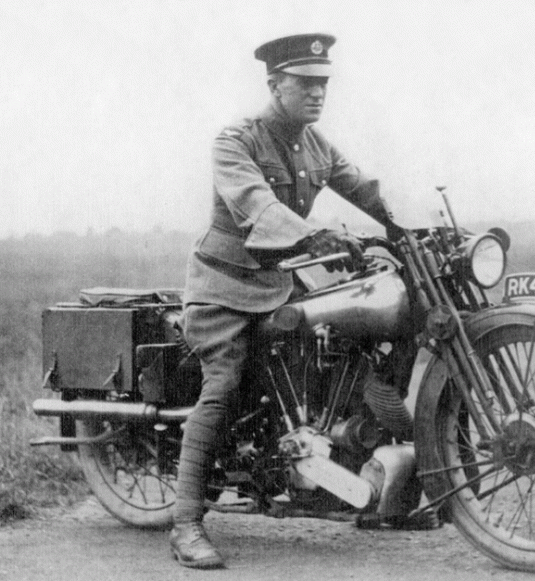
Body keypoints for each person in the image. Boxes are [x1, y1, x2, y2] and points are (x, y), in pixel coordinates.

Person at [170, 33, 394, 569]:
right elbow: (256, 205)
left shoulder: (315, 144)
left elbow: (362, 187)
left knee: (349, 338)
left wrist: (403, 229)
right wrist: (311, 236)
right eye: (306, 83)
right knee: (223, 384)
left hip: (281, 284)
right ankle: (185, 524)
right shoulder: (236, 140)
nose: (318, 94)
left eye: (323, 84)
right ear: (275, 84)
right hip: (224, 289)